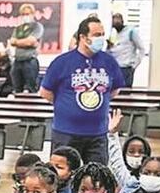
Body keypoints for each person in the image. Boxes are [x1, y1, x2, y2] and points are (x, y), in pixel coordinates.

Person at [40, 17, 126, 165]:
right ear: (83, 37)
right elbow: (45, 92)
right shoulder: (62, 62)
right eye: (96, 35)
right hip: (66, 132)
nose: (101, 38)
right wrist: (67, 104)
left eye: (102, 34)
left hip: (98, 133)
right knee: (63, 175)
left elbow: (114, 90)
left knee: (97, 176)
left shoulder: (109, 62)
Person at [9, 3, 44, 94]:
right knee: (16, 88)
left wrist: (18, 42)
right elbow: (11, 41)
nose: (25, 16)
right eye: (23, 14)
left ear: (33, 14)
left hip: (29, 61)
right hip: (17, 61)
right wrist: (26, 43)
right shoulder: (18, 28)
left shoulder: (37, 26)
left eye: (27, 14)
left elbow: (31, 41)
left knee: (31, 88)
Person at [108, 13, 146, 88]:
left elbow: (142, 49)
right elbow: (111, 50)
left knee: (125, 93)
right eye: (114, 23)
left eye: (118, 22)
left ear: (122, 22)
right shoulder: (113, 33)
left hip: (126, 68)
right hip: (114, 68)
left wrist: (134, 65)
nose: (116, 24)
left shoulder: (131, 32)